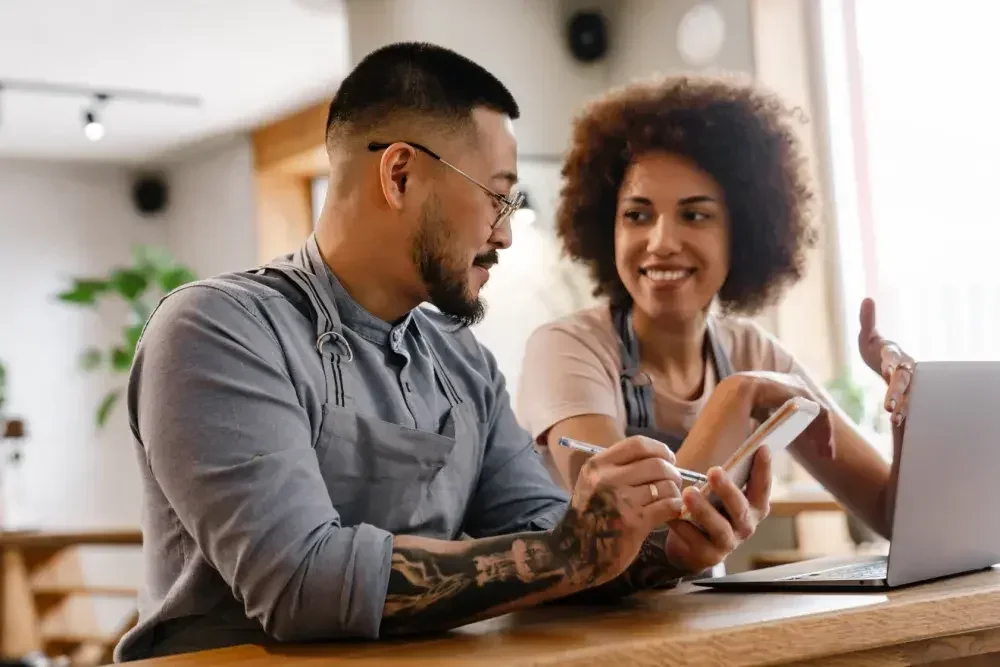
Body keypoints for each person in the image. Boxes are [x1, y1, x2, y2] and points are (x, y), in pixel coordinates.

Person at [113, 45, 802, 661]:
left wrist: (659, 551)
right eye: (497, 200)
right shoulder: (215, 330)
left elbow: (548, 536)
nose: (504, 235)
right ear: (401, 176)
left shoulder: (460, 361)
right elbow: (302, 584)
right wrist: (569, 551)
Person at [516, 74, 915, 544]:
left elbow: (895, 518)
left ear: (740, 234)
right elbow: (629, 534)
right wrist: (735, 397)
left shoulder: (754, 353)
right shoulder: (568, 349)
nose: (661, 242)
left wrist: (907, 410)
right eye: (637, 215)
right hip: (588, 618)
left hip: (705, 618)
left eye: (695, 215)